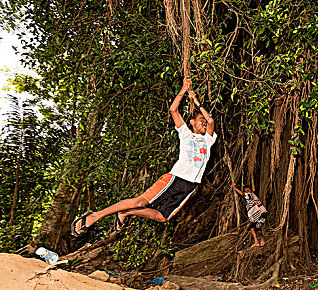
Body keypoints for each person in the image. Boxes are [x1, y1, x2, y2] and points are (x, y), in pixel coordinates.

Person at [71, 78, 217, 236]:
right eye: (200, 120)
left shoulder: (208, 140)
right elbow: (174, 110)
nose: (204, 122)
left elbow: (210, 120)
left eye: (203, 120)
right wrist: (184, 90)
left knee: (162, 217)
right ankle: (94, 216)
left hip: (191, 185)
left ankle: (126, 213)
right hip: (176, 178)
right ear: (192, 122)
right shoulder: (186, 134)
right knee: (141, 201)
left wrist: (196, 101)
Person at [232, 183, 267, 247]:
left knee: (258, 229)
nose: (246, 193)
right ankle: (256, 242)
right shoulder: (248, 200)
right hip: (255, 217)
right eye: (246, 191)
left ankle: (262, 239)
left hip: (262, 214)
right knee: (251, 228)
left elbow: (242, 194)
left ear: (251, 191)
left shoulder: (252, 195)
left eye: (248, 191)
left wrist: (235, 188)